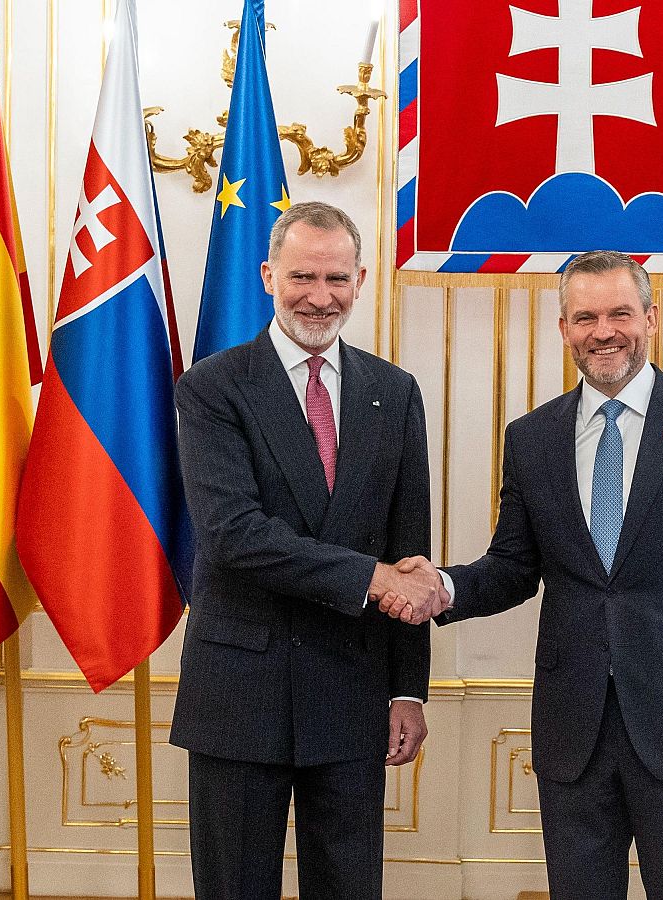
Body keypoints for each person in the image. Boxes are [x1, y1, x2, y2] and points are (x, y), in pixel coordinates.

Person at [382, 250, 663, 899]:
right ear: (563, 327)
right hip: (573, 736)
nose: (604, 331)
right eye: (585, 317)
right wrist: (441, 588)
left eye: (620, 313)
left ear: (650, 317)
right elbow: (512, 567)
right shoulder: (532, 437)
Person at [170, 201, 443, 899]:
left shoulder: (395, 391)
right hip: (239, 695)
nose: (320, 296)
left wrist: (408, 688)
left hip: (353, 695)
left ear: (360, 280)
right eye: (301, 276)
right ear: (267, 275)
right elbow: (234, 536)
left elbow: (410, 549)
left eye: (336, 278)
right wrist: (373, 577)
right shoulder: (212, 387)